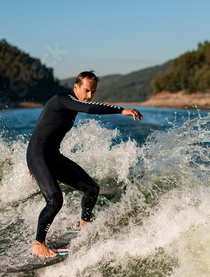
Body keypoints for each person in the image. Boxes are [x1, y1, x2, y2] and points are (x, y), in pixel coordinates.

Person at [26, 71, 143, 257]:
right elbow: (89, 108)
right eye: (86, 91)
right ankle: (38, 243)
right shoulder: (61, 99)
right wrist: (122, 110)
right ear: (76, 87)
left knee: (91, 189)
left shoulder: (72, 106)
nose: (89, 96)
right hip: (38, 156)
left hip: (51, 157)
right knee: (55, 200)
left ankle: (84, 224)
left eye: (93, 92)